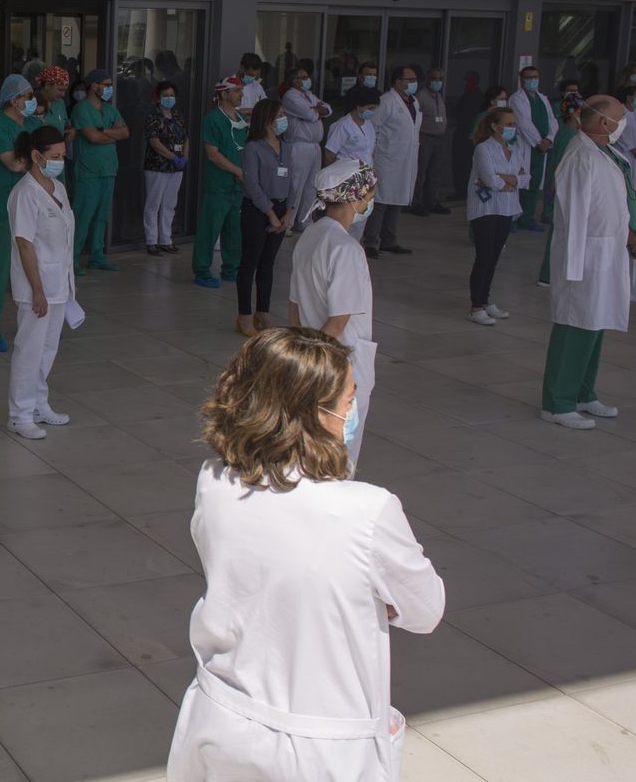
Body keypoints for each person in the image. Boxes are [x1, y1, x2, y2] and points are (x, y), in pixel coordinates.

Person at [165, 327, 444, 782]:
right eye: (348, 401)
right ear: (312, 414)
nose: (352, 413)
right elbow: (426, 610)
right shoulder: (368, 511)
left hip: (221, 721)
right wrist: (380, 598)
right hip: (322, 750)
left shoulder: (213, 481)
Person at [542, 97, 636, 430]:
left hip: (607, 252)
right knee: (576, 325)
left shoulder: (608, 153)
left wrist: (632, 237)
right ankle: (557, 403)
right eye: (620, 118)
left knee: (596, 324)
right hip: (585, 257)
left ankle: (585, 393)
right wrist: (574, 267)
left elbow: (615, 203)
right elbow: (573, 215)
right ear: (604, 123)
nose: (623, 124)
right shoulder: (580, 156)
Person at [288, 160, 378, 466]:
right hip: (341, 365)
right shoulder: (346, 248)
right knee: (340, 455)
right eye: (369, 194)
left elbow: (294, 305)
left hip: (313, 359)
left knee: (311, 449)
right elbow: (340, 319)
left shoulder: (309, 236)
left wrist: (302, 354)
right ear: (355, 197)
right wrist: (316, 355)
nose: (369, 202)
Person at [6, 125, 75, 440]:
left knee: (48, 349)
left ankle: (38, 405)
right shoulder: (24, 193)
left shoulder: (57, 188)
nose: (61, 160)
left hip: (59, 282)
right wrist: (37, 289)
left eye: (63, 154)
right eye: (55, 156)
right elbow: (24, 244)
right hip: (36, 285)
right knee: (29, 350)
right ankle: (19, 415)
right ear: (36, 156)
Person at [0, 75, 36, 350]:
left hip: (36, 205)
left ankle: (40, 319)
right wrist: (38, 160)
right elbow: (14, 164)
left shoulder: (35, 124)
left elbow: (51, 157)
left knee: (37, 265)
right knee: (0, 269)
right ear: (14, 100)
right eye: (28, 95)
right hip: (8, 205)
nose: (32, 100)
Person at [237, 99, 295, 336]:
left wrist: (289, 211)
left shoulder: (286, 147)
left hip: (281, 211)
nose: (284, 119)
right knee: (250, 263)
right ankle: (244, 316)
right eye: (280, 115)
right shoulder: (253, 148)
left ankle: (263, 310)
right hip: (257, 210)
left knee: (268, 264)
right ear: (268, 120)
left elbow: (293, 181)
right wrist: (270, 213)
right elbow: (252, 184)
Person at [468, 108, 530, 326]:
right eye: (509, 123)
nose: (513, 128)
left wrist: (508, 179)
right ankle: (476, 306)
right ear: (495, 126)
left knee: (494, 258)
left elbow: (526, 179)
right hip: (486, 209)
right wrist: (511, 180)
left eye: (514, 123)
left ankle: (485, 300)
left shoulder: (514, 149)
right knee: (484, 257)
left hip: (507, 208)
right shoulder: (483, 149)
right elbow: (490, 180)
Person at [192, 77, 248, 289]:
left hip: (238, 185)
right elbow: (213, 154)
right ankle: (203, 271)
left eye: (241, 90)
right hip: (219, 185)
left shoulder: (241, 119)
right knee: (210, 229)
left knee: (234, 231)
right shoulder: (213, 119)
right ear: (224, 93)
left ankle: (231, 270)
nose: (241, 94)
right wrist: (237, 170)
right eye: (236, 91)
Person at [72, 69, 129, 274]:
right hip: (88, 172)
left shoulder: (110, 109)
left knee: (102, 216)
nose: (108, 89)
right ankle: (73, 258)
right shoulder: (81, 109)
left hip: (108, 170)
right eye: (105, 84)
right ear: (94, 86)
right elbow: (91, 138)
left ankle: (97, 255)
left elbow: (125, 132)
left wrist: (103, 131)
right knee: (83, 216)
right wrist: (110, 134)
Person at [361, 66, 421, 259]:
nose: (413, 83)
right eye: (408, 79)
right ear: (397, 81)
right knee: (380, 202)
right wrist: (375, 153)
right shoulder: (387, 101)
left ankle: (390, 240)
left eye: (414, 80)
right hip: (386, 159)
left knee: (397, 200)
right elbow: (373, 127)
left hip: (405, 160)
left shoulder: (414, 102)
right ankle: (370, 241)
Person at [536, 95, 583, 286]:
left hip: (564, 190)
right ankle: (548, 274)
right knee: (559, 233)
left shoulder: (571, 132)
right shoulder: (568, 135)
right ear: (574, 113)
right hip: (563, 191)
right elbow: (560, 167)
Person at [280, 61, 330, 234]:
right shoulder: (290, 96)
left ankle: (305, 220)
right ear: (295, 81)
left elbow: (328, 109)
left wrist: (317, 109)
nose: (308, 80)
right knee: (296, 184)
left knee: (311, 185)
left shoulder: (309, 95)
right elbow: (309, 115)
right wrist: (316, 110)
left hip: (314, 146)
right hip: (298, 144)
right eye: (304, 78)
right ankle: (288, 222)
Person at [142, 81, 188, 255]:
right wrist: (173, 157)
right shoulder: (153, 116)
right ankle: (151, 241)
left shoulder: (177, 115)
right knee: (153, 204)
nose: (169, 98)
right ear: (158, 97)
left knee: (170, 204)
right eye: (165, 95)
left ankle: (166, 240)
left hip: (176, 168)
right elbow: (154, 142)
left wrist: (185, 156)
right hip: (157, 166)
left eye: (172, 95)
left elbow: (186, 138)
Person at [509, 66, 557, 230]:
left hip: (541, 148)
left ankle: (527, 218)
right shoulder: (517, 99)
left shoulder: (543, 99)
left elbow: (553, 122)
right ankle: (513, 219)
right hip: (527, 146)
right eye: (529, 78)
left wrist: (549, 139)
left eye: (535, 77)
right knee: (521, 182)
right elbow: (523, 124)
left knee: (535, 184)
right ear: (521, 80)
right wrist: (539, 142)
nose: (532, 80)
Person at [409, 66, 451, 216]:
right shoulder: (421, 96)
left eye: (440, 79)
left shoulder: (438, 96)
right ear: (428, 80)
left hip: (438, 138)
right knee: (421, 171)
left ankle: (431, 201)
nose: (437, 82)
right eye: (434, 79)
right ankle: (416, 202)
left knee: (435, 171)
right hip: (425, 137)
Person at [35, 65, 74, 158]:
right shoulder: (31, 104)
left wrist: (71, 130)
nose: (63, 94)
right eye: (60, 90)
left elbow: (65, 125)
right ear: (48, 85)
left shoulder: (59, 103)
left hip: (58, 157)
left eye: (65, 90)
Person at [236, 52, 265, 116]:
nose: (252, 78)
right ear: (241, 68)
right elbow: (225, 112)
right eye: (250, 75)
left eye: (255, 76)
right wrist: (249, 111)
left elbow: (265, 105)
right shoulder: (229, 86)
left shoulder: (257, 87)